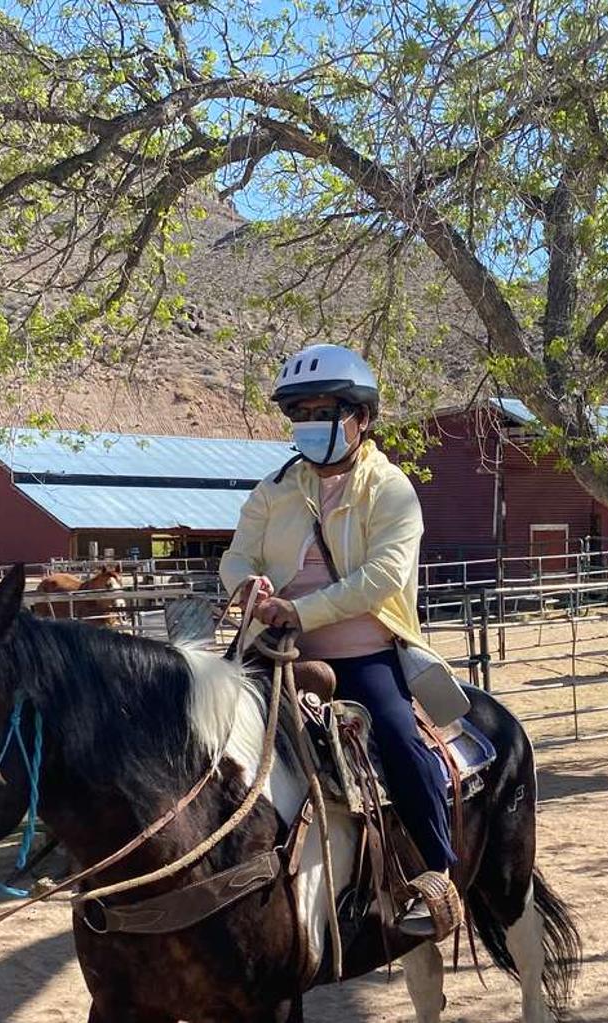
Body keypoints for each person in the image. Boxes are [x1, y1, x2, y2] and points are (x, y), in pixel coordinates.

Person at [220, 342, 460, 937]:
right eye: (300, 413)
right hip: (273, 648)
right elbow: (236, 556)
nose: (310, 424)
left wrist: (300, 611)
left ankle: (437, 875)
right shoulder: (273, 489)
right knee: (200, 719)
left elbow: (383, 576)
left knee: (399, 739)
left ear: (362, 417)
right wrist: (246, 585)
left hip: (361, 653)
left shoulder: (391, 489)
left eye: (325, 411)